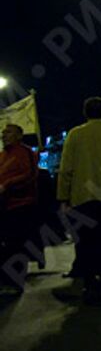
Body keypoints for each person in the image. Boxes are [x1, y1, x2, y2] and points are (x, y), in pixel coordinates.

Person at [57, 97, 101, 302]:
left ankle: (89, 281)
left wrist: (63, 197)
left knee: (85, 241)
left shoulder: (75, 134)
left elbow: (66, 169)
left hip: (81, 198)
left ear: (85, 112)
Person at [0, 124, 39, 295]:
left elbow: (29, 175)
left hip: (21, 205)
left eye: (8, 132)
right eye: (3, 132)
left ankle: (15, 282)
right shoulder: (2, 155)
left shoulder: (25, 152)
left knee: (16, 245)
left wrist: (7, 185)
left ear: (19, 135)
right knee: (6, 245)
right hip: (4, 206)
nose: (4, 135)